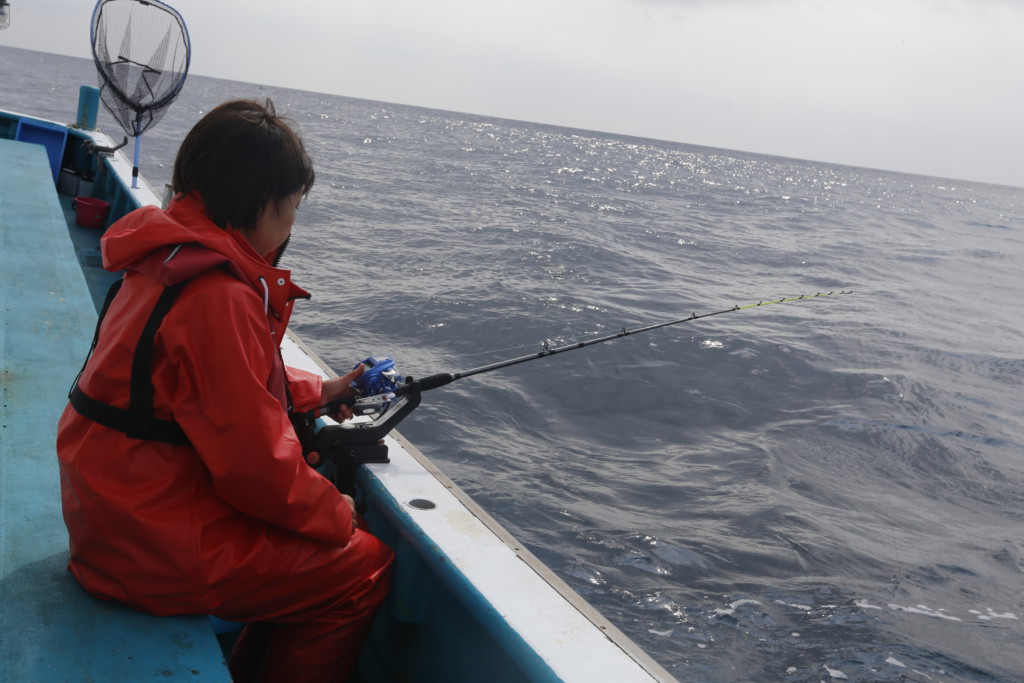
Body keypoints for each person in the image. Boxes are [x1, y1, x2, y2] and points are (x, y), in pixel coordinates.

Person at [56, 99, 393, 682]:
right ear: (260, 202)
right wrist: (336, 514)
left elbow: (209, 383)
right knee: (363, 566)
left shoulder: (161, 259)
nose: (291, 225)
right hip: (146, 548)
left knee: (306, 548)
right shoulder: (220, 296)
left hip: (107, 515)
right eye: (292, 207)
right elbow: (254, 471)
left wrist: (319, 389)